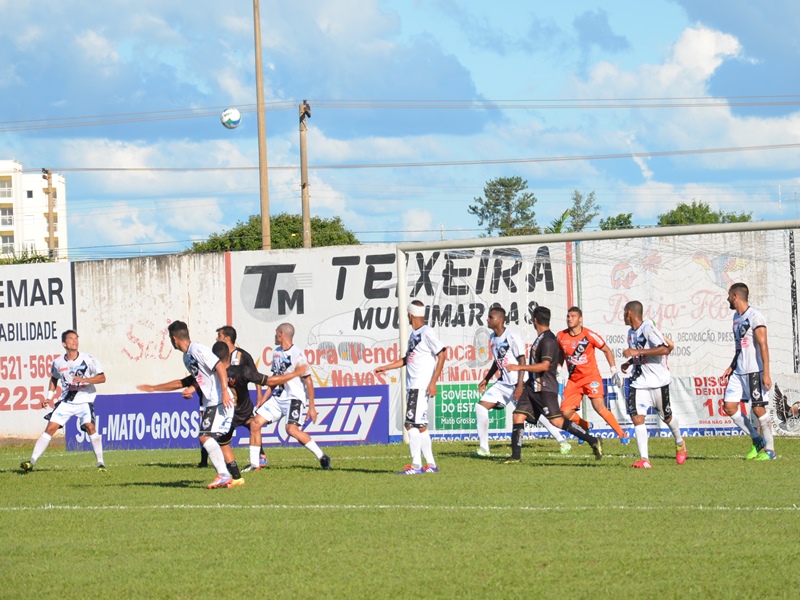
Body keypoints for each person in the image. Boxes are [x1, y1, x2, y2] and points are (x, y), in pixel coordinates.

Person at [137, 320, 235, 489]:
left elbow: (219, 366)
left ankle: (225, 475)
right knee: (208, 437)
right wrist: (155, 388)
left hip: (218, 400)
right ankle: (227, 474)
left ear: (174, 339)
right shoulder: (187, 356)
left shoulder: (197, 350)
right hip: (211, 401)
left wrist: (225, 391)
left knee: (205, 436)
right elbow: (190, 380)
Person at [505, 306, 604, 462]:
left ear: (535, 320)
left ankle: (592, 440)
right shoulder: (541, 338)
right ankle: (515, 457)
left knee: (557, 421)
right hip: (532, 387)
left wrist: (519, 367)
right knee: (518, 415)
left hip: (544, 388)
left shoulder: (549, 340)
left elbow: (545, 366)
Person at [474, 305, 571, 457]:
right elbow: (497, 361)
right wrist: (486, 379)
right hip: (503, 383)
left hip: (520, 382)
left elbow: (521, 359)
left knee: (538, 414)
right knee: (480, 408)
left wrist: (520, 386)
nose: (487, 319)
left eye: (490, 317)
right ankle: (484, 449)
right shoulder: (492, 338)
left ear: (499, 320)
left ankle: (562, 440)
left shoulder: (511, 336)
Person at [375, 300, 446, 475]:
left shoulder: (426, 332)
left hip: (419, 386)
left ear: (410, 315)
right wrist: (386, 367)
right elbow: (407, 359)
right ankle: (431, 464)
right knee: (420, 425)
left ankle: (416, 465)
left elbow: (442, 354)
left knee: (409, 424)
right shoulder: (415, 334)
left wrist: (433, 381)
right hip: (414, 386)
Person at [21, 330, 107, 473]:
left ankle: (100, 464)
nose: (75, 341)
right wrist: (49, 397)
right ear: (64, 344)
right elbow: (54, 378)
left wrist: (85, 380)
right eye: (71, 339)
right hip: (66, 402)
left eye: (76, 338)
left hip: (84, 401)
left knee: (90, 427)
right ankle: (31, 462)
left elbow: (102, 378)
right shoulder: (58, 362)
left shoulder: (88, 359)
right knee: (50, 429)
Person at [247, 323, 330, 470]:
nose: (274, 336)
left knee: (291, 429)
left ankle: (322, 456)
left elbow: (308, 381)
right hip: (279, 397)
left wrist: (311, 406)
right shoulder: (276, 352)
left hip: (294, 398)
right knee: (255, 423)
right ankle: (254, 464)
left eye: (276, 333)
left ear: (281, 334)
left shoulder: (297, 354)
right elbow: (275, 378)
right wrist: (263, 399)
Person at [621, 301, 686, 468]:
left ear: (629, 313)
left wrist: (637, 352)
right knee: (637, 418)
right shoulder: (630, 332)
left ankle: (679, 442)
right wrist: (629, 362)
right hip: (639, 382)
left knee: (667, 417)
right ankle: (644, 459)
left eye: (624, 313)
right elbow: (639, 353)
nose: (623, 316)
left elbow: (665, 349)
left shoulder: (648, 328)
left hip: (658, 382)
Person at [557, 306, 629, 443]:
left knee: (599, 407)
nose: (569, 319)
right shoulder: (561, 336)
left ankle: (622, 434)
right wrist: (559, 367)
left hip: (591, 377)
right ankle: (585, 426)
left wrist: (614, 370)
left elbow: (607, 350)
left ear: (580, 319)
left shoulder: (589, 335)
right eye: (568, 316)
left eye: (573, 316)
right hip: (574, 380)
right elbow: (560, 352)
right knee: (565, 413)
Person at [722, 283, 775, 460]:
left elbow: (763, 345)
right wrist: (732, 365)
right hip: (738, 371)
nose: (727, 299)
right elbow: (740, 347)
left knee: (758, 409)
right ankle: (756, 439)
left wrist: (766, 373)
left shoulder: (755, 316)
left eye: (729, 296)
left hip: (754, 371)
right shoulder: (736, 317)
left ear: (735, 296)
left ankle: (770, 451)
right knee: (729, 407)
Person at [215, 326, 268, 470]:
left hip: (241, 404)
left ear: (227, 338)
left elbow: (255, 375)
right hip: (226, 404)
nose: (216, 339)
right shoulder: (218, 357)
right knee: (227, 432)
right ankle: (217, 462)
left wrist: (259, 395)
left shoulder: (243, 356)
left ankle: (260, 457)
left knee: (252, 425)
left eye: (219, 336)